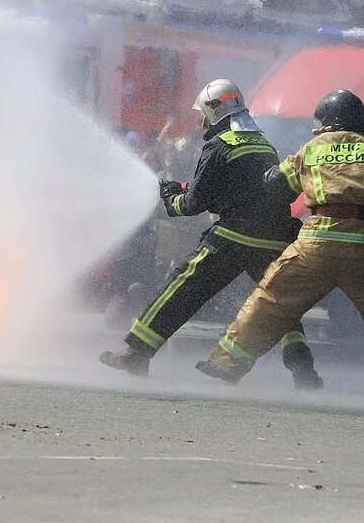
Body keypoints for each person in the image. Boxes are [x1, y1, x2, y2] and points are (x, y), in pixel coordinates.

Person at [196, 89, 364, 398]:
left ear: (322, 124)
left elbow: (275, 185)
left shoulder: (311, 150)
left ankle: (227, 364)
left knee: (269, 301)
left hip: (315, 245)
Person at [99, 79, 320, 388]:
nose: (201, 120)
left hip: (233, 237)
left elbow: (193, 205)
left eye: (203, 113)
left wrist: (170, 200)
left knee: (182, 289)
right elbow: (244, 191)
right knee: (278, 304)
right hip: (273, 237)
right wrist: (187, 191)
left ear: (214, 111)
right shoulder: (262, 144)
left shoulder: (220, 145)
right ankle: (304, 370)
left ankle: (135, 351)